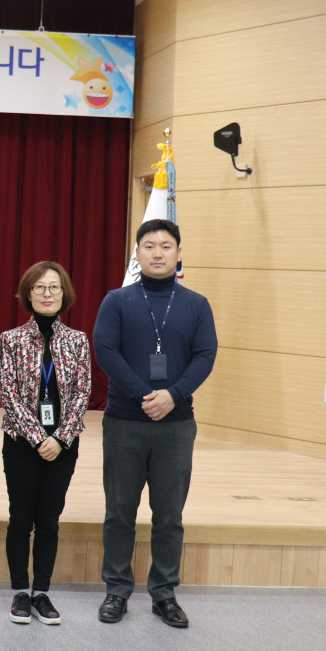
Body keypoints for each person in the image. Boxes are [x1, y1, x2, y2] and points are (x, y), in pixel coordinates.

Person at [93, 219, 217, 629]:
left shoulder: (196, 304)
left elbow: (205, 355)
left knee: (169, 516)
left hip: (176, 425)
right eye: (149, 246)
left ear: (179, 253)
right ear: (137, 253)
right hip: (125, 422)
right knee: (119, 512)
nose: (158, 252)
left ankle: (164, 594)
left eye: (166, 246)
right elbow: (106, 350)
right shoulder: (117, 300)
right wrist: (146, 395)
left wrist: (173, 395)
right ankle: (116, 591)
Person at [0, 261, 91, 624]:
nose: (47, 294)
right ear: (28, 294)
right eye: (39, 288)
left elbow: (82, 392)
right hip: (22, 443)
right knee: (20, 518)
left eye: (54, 287)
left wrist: (61, 438)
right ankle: (21, 591)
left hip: (63, 446)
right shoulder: (11, 339)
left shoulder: (77, 341)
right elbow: (8, 394)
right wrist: (39, 438)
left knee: (49, 520)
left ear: (64, 294)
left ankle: (42, 593)